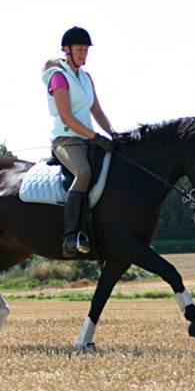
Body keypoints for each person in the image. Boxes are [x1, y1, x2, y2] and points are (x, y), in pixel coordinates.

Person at [42, 26, 117, 258]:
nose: (83, 54)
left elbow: (96, 110)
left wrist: (113, 132)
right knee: (83, 173)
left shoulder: (86, 78)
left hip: (87, 139)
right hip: (66, 140)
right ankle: (71, 236)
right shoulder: (58, 77)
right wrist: (94, 136)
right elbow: (66, 116)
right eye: (80, 49)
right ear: (67, 50)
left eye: (86, 50)